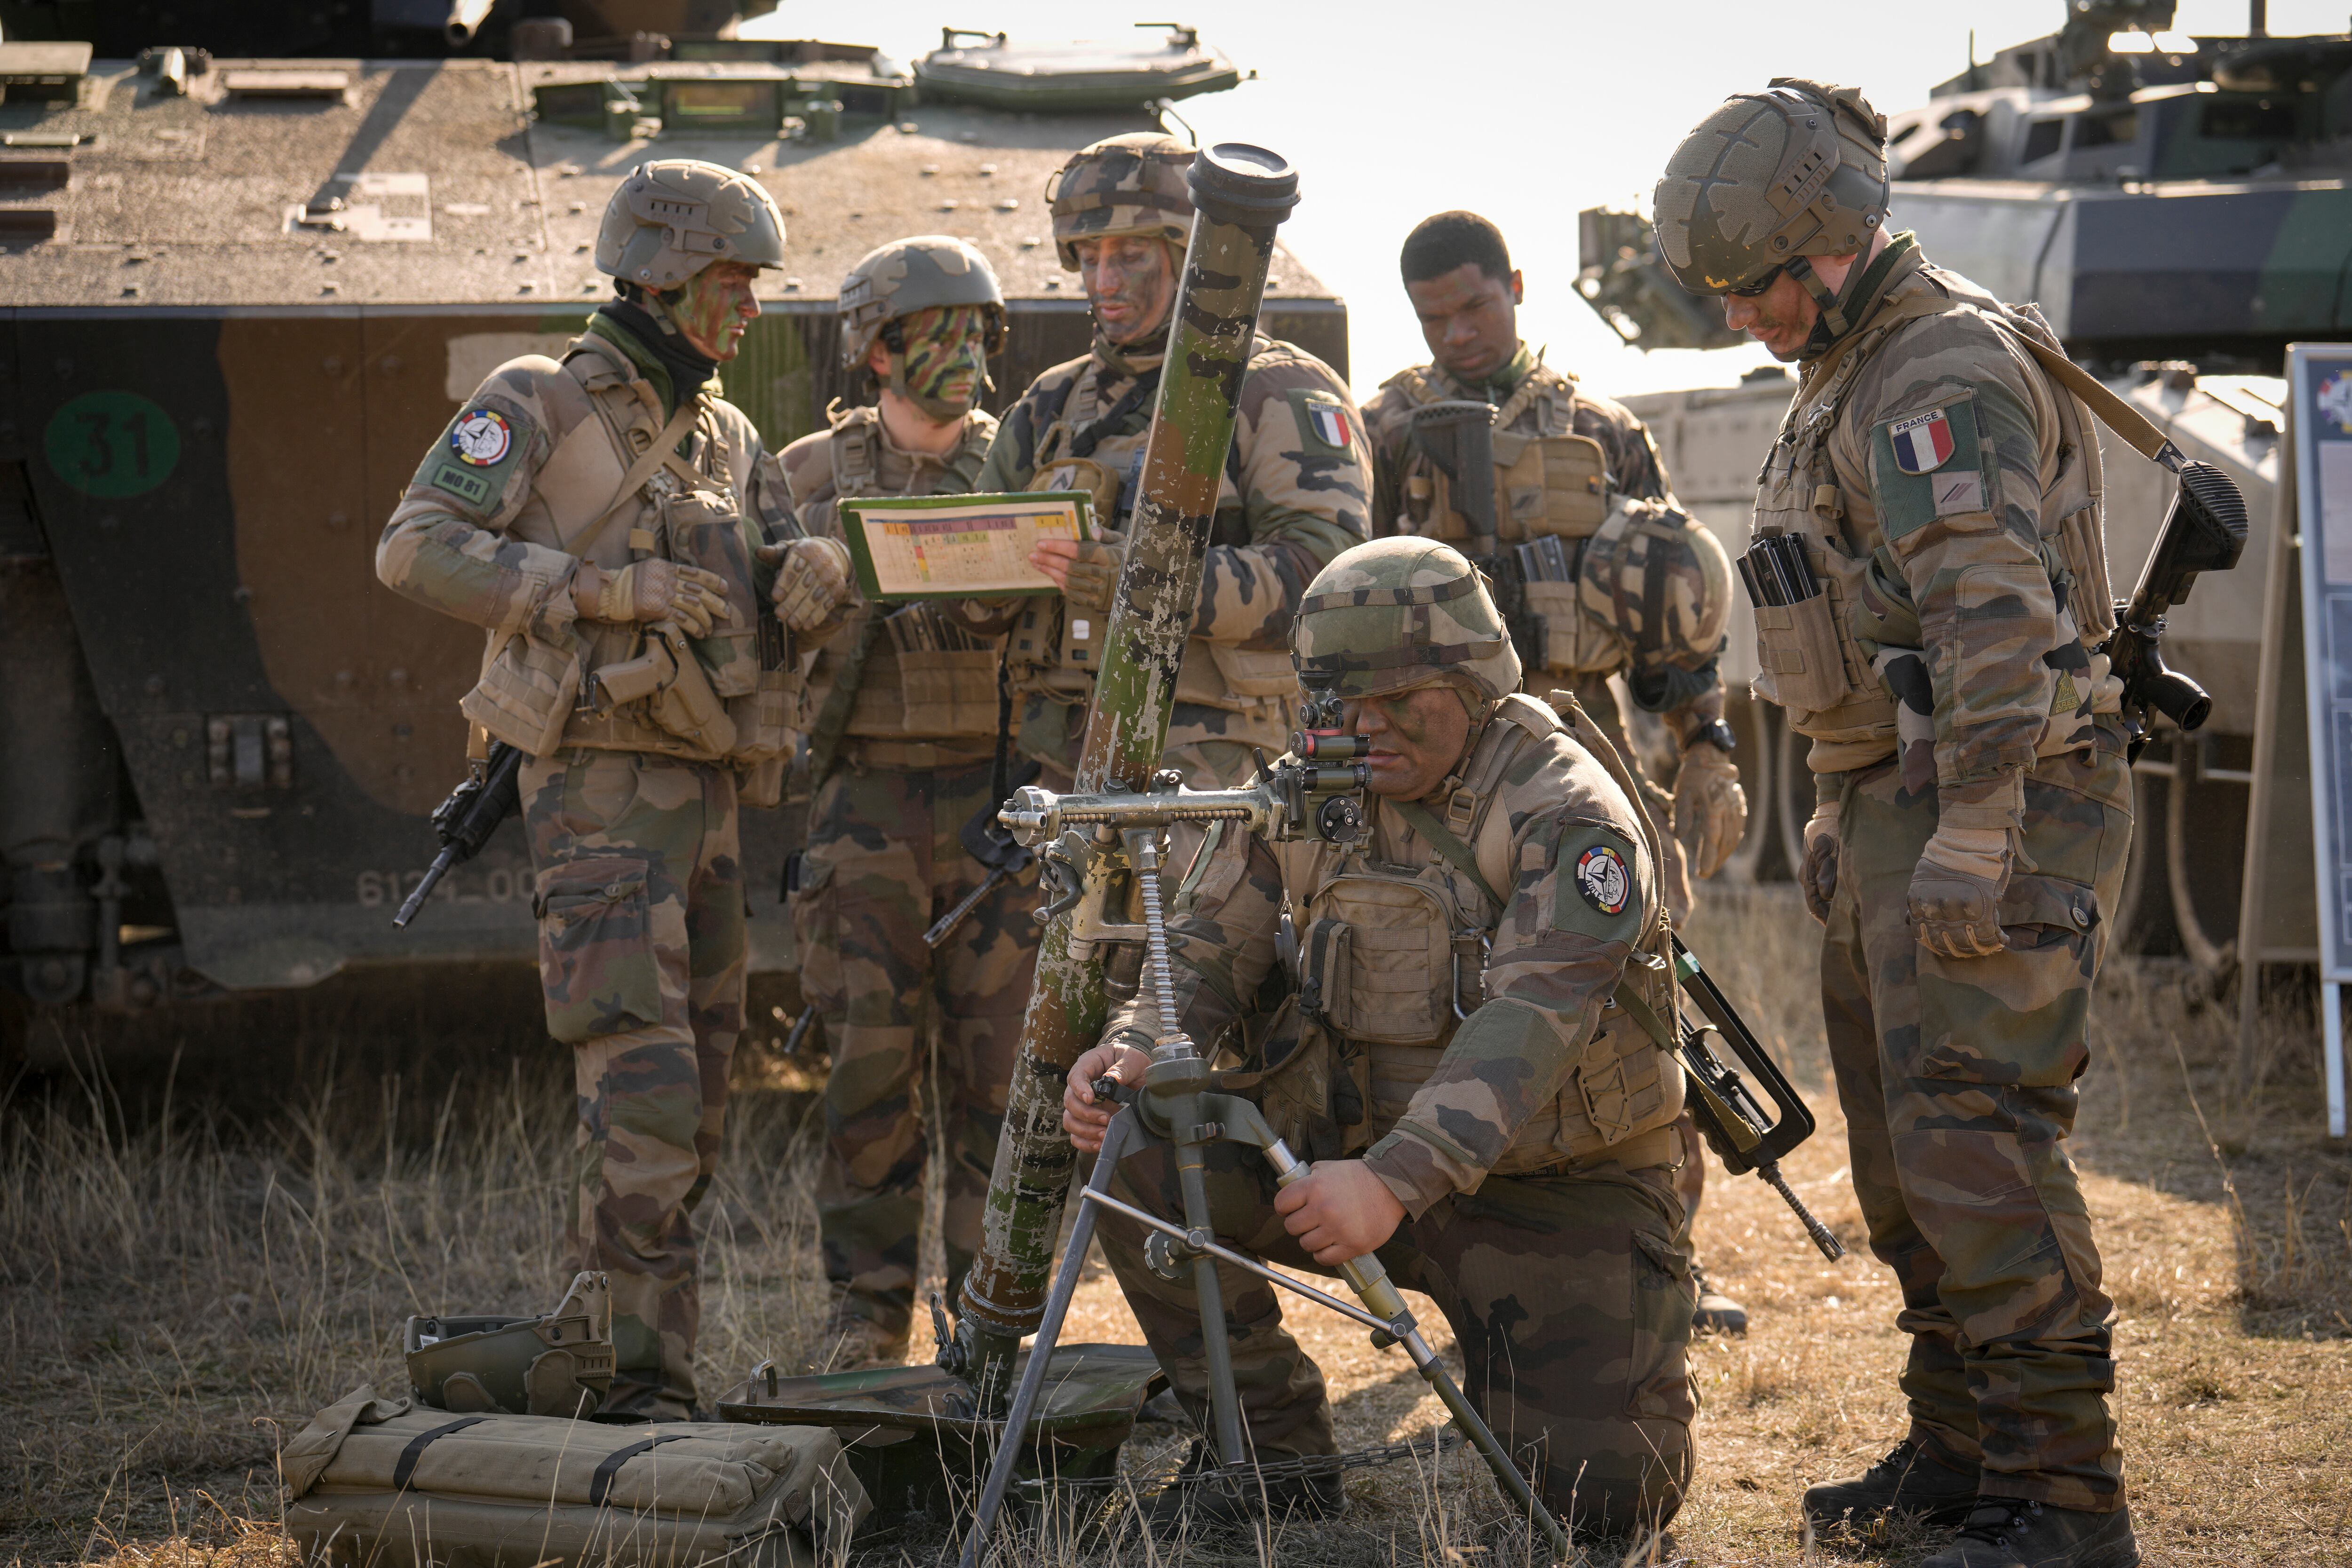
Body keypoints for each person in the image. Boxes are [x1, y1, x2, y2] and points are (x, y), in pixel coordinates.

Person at [1655, 79, 2138, 1568]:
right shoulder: (1845, 366)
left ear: (1824, 241)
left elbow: (1993, 627)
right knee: (1906, 1154)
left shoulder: (1937, 371)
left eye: (1751, 287)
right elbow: (1854, 615)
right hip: (1898, 798)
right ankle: (1962, 1450)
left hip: (1997, 799)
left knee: (1981, 1142)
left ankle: (2061, 1501)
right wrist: (1840, 794)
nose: (1741, 316)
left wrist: (1975, 831)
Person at [1063, 538, 1696, 1543]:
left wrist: (1392, 1179)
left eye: (1400, 700)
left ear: (1474, 682)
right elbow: (1206, 939)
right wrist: (1137, 1040)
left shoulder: (1566, 811)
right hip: (1339, 1163)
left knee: (1604, 1500)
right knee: (1139, 1143)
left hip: (1544, 1190)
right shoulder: (1311, 783)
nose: (1365, 727)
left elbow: (1532, 1020)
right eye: (1340, 702)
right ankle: (1271, 1454)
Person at [378, 158, 825, 1419]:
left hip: (709, 797)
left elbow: (782, 554)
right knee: (645, 1096)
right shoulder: (539, 399)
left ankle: (623, 1363)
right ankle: (635, 1394)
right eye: (735, 281)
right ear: (666, 268)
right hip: (599, 797)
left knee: (706, 1099)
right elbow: (413, 545)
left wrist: (812, 570)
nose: (750, 307)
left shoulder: (731, 432)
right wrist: (595, 591)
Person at [1363, 210, 1751, 1334]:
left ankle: (1661, 1256)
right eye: (1435, 316)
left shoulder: (1604, 430)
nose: (1459, 332)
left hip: (1593, 746)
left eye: (1475, 306)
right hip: (1448, 770)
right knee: (1452, 1002)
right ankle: (1467, 1262)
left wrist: (1709, 750)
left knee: (1645, 996)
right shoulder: (1386, 427)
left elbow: (1674, 611)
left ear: (1517, 287)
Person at [767, 236, 1029, 1368]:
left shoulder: (1017, 465)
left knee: (999, 1078)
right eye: (937, 331)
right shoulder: (808, 475)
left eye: (980, 330)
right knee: (868, 1073)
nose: (965, 354)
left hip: (997, 814)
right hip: (861, 806)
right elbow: (759, 642)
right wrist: (809, 579)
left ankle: (988, 1321)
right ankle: (867, 1310)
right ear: (876, 348)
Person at [972, 132, 1372, 789]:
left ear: (1190, 255)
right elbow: (981, 594)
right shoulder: (1052, 402)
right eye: (1089, 256)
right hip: (1057, 769)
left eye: (1131, 255)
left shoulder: (1278, 390)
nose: (1104, 281)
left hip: (1215, 776)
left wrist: (1138, 580)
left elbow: (1325, 580)